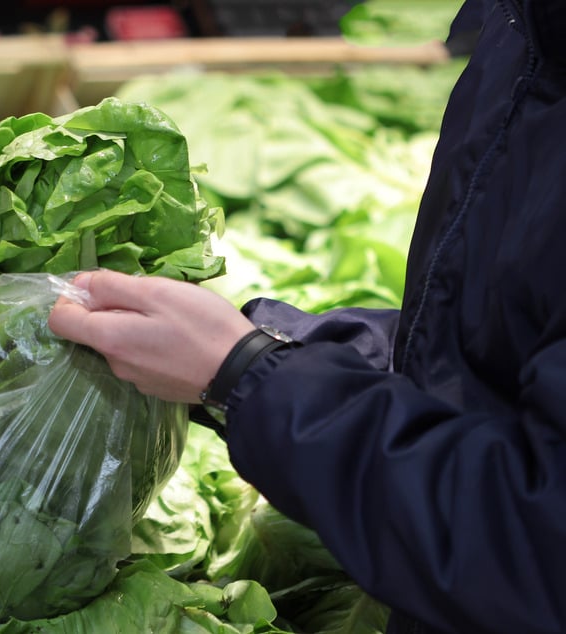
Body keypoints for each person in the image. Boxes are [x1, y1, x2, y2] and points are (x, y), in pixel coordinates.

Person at [47, 1, 566, 633]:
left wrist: (249, 372)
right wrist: (270, 343)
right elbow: (489, 357)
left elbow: (536, 547)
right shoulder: (528, 28)